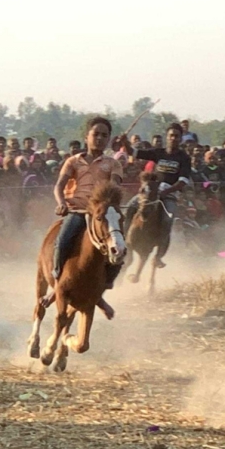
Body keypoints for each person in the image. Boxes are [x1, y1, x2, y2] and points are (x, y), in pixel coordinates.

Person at [52, 117, 124, 319]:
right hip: (76, 211)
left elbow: (115, 188)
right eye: (96, 134)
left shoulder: (113, 164)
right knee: (62, 241)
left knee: (119, 246)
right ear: (87, 137)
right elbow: (59, 186)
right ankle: (57, 280)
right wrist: (61, 203)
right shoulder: (73, 161)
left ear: (109, 139)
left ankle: (105, 284)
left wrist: (108, 204)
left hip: (100, 215)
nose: (100, 138)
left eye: (104, 135)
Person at [129, 123, 193, 269]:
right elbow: (134, 153)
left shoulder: (184, 158)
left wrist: (163, 193)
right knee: (130, 207)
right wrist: (124, 143)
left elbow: (182, 182)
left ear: (181, 138)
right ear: (167, 137)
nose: (173, 138)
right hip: (150, 191)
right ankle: (126, 241)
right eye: (171, 135)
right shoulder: (158, 152)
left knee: (168, 219)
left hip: (168, 195)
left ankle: (158, 256)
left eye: (177, 136)